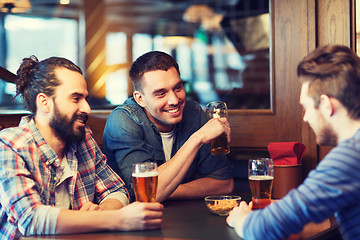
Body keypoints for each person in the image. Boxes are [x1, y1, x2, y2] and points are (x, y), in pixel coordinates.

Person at [0, 56, 163, 239]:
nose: (87, 108)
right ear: (44, 102)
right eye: (75, 98)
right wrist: (117, 219)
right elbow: (31, 219)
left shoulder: (83, 138)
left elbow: (117, 189)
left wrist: (102, 210)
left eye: (85, 98)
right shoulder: (10, 145)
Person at [226, 45, 360, 240]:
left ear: (325, 104)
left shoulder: (350, 157)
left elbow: (262, 229)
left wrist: (241, 218)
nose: (305, 118)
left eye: (306, 107)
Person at [103, 51, 234, 202]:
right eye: (161, 93)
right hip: (134, 220)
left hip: (183, 217)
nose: (174, 100)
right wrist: (197, 139)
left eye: (178, 88)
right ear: (140, 99)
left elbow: (224, 183)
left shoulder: (192, 112)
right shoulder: (123, 121)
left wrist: (166, 188)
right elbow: (146, 195)